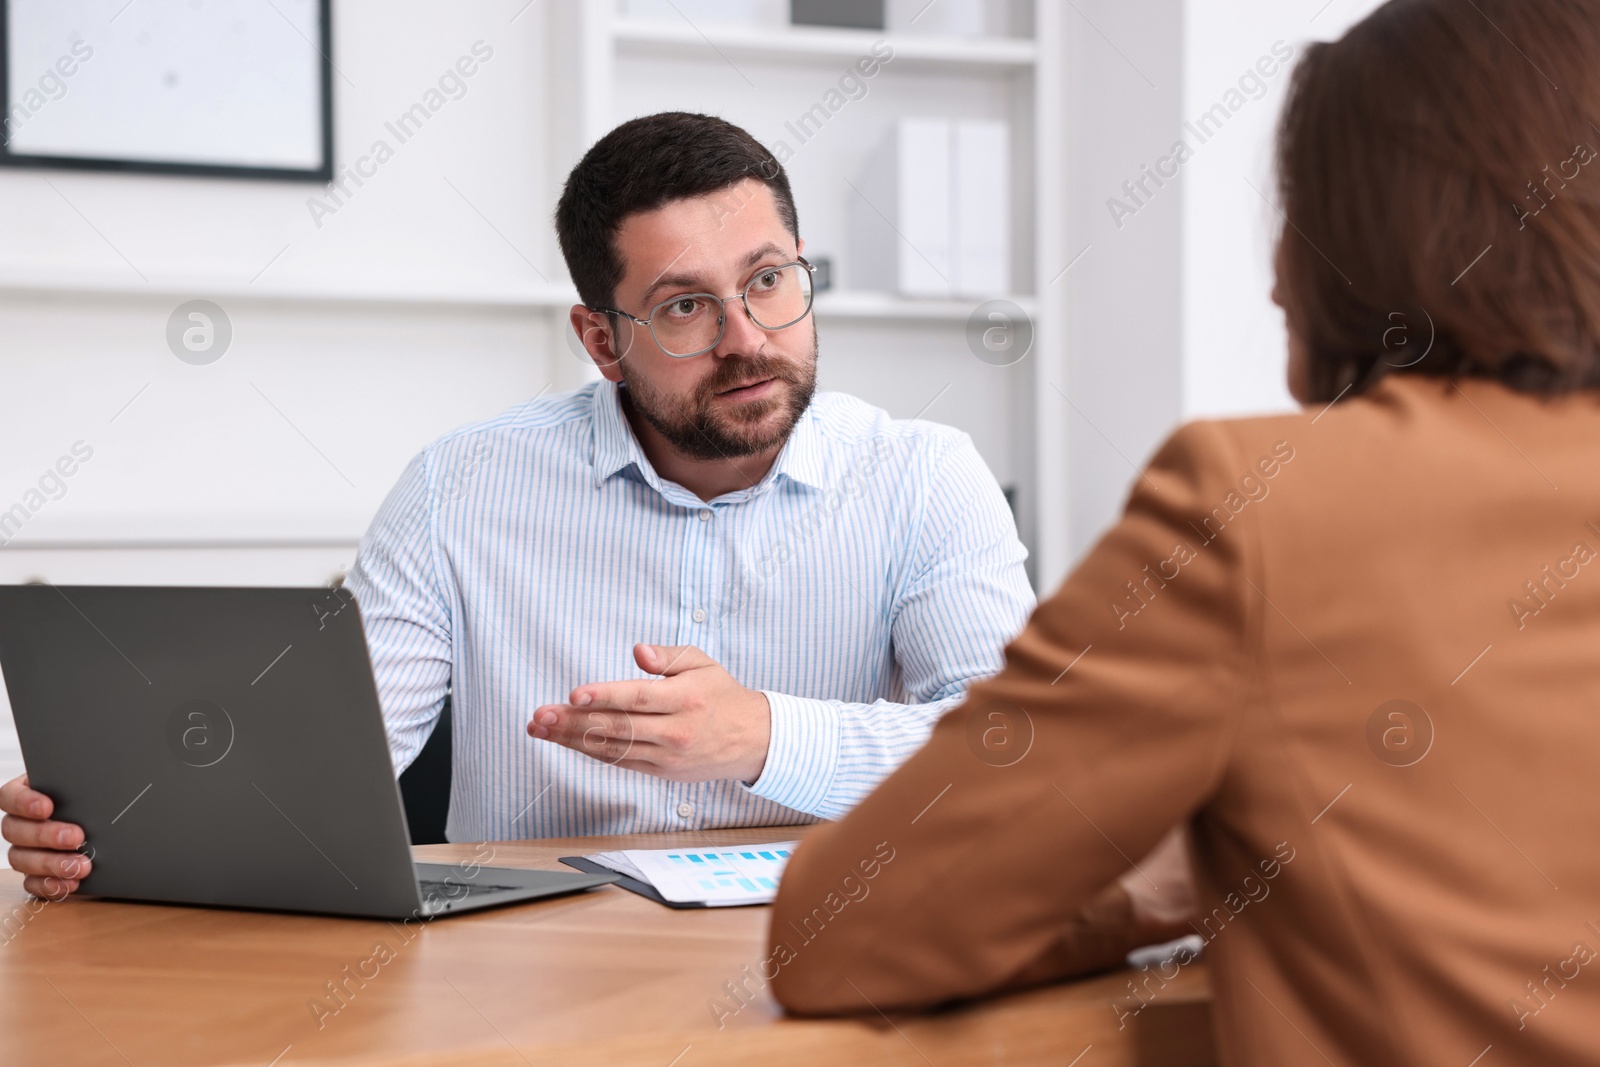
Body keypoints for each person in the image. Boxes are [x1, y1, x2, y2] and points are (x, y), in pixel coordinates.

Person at [769, 1, 1600, 1063]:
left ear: (1364, 244)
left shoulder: (1266, 506)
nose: (1270, 281)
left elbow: (844, 931)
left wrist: (1172, 876)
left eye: (1299, 217)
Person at [0, 113, 1035, 895]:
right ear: (599, 339)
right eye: (684, 306)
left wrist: (759, 737)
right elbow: (324, 760)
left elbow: (1022, 759)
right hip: (525, 968)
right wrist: (122, 829)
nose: (748, 338)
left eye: (768, 280)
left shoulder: (922, 478)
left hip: (822, 945)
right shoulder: (463, 486)